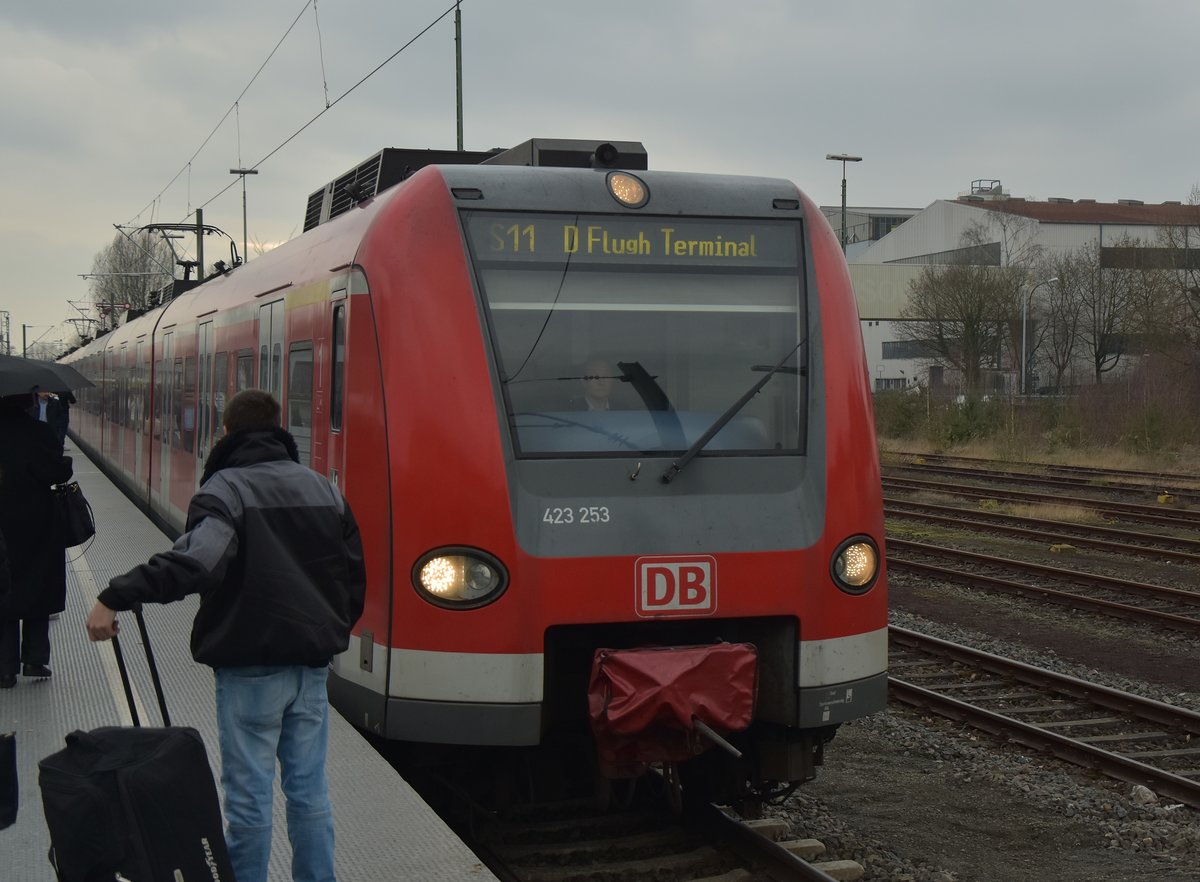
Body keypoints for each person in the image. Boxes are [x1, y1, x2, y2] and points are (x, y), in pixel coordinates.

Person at [85, 389, 366, 882]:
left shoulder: (226, 491)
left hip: (249, 668)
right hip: (310, 667)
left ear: (228, 432)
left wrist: (116, 594)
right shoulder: (325, 489)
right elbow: (353, 580)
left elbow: (195, 563)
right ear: (279, 428)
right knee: (310, 793)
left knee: (249, 798)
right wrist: (328, 631)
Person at [0, 393, 74, 688]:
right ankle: (34, 659)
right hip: (37, 522)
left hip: (1, 526)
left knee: (2, 591)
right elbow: (58, 471)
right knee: (37, 586)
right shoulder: (38, 432)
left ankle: (4, 668)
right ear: (26, 403)